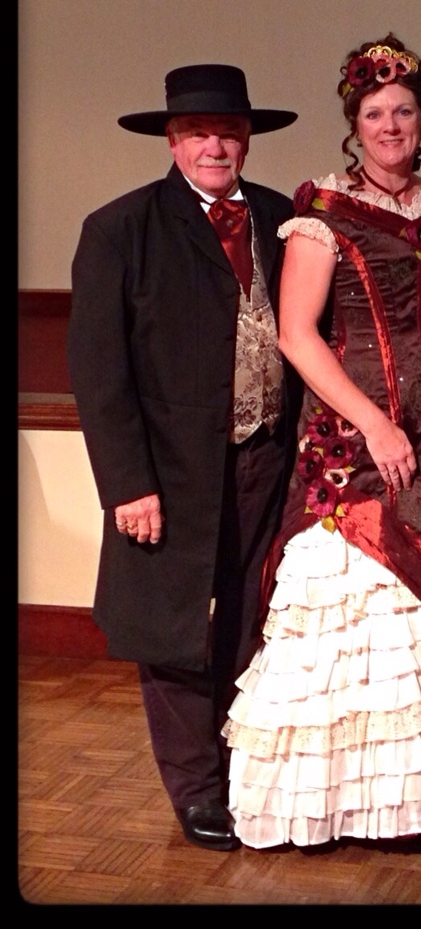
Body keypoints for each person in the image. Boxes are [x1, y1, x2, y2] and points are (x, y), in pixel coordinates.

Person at [222, 35, 421, 849]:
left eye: (403, 111)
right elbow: (297, 334)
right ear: (354, 125)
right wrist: (372, 421)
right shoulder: (323, 214)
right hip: (355, 428)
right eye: (374, 114)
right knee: (356, 603)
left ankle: (409, 807)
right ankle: (327, 805)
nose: (390, 125)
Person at [67, 64, 300, 851]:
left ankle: (239, 772)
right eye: (198, 132)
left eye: (228, 132)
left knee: (250, 623)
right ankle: (196, 790)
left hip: (267, 458)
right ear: (171, 141)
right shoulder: (120, 228)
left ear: (247, 140)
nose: (214, 146)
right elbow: (99, 371)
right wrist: (127, 485)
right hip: (168, 474)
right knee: (174, 633)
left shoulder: (280, 217)